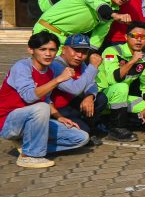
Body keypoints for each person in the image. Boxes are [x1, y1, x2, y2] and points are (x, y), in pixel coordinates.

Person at [0, 32, 90, 168]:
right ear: (31, 50)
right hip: (8, 122)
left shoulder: (50, 70)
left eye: (52, 50)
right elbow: (29, 97)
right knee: (41, 107)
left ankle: (28, 145)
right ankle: (29, 156)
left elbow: (47, 99)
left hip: (33, 120)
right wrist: (58, 79)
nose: (48, 54)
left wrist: (59, 117)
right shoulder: (22, 67)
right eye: (43, 49)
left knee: (80, 138)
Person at [96, 21, 145, 141]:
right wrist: (132, 61)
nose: (139, 40)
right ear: (126, 37)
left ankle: (116, 122)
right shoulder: (112, 51)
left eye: (143, 37)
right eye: (135, 36)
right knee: (121, 87)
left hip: (121, 99)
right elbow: (113, 79)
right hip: (102, 96)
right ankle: (117, 129)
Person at [34, 0, 134, 48]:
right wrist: (115, 15)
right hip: (47, 31)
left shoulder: (114, 9)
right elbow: (99, 5)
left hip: (67, 40)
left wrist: (89, 55)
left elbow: (99, 35)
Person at [49, 34, 104, 144]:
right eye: (76, 50)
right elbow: (74, 89)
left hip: (72, 105)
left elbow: (92, 83)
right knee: (83, 133)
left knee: (101, 98)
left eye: (84, 52)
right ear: (64, 49)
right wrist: (92, 67)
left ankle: (90, 126)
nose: (79, 55)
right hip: (57, 110)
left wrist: (89, 96)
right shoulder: (56, 65)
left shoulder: (81, 64)